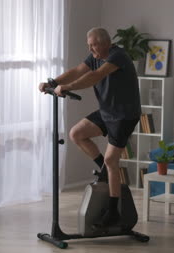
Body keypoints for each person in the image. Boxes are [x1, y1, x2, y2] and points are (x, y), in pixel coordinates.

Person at [38, 27, 141, 229]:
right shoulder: (94, 55)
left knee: (112, 160)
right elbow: (77, 71)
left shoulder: (117, 56)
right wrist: (54, 82)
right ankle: (103, 170)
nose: (91, 49)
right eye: (89, 45)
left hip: (124, 115)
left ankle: (113, 213)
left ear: (106, 43)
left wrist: (68, 87)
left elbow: (95, 76)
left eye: (94, 45)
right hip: (107, 112)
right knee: (77, 133)